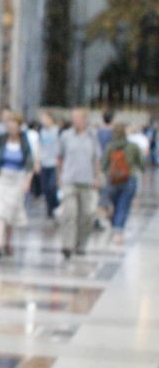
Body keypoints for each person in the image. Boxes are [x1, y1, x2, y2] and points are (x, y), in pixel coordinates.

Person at [0, 111, 33, 259]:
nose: (11, 126)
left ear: (19, 126)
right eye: (9, 123)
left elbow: (29, 164)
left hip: (17, 179)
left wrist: (28, 181)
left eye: (14, 124)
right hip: (1, 177)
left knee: (10, 213)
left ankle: (7, 242)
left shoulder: (24, 141)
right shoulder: (0, 139)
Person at [57, 107, 101, 259]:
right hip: (69, 180)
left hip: (87, 181)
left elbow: (96, 158)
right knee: (69, 214)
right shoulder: (65, 136)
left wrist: (97, 177)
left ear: (85, 120)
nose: (75, 121)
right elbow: (60, 157)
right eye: (73, 118)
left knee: (87, 215)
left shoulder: (92, 137)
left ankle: (81, 243)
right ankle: (67, 245)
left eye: (78, 118)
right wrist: (59, 176)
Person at [101, 122, 145, 246]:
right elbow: (141, 163)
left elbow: (104, 164)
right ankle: (118, 230)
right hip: (129, 178)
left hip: (113, 180)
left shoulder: (110, 146)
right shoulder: (133, 146)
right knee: (123, 205)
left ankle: (116, 225)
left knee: (115, 204)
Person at [35, 110, 61, 219]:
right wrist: (37, 162)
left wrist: (60, 162)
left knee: (52, 186)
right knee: (45, 187)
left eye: (44, 118)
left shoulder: (58, 131)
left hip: (54, 163)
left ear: (51, 119)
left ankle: (55, 205)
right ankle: (50, 208)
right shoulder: (42, 132)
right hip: (44, 162)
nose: (43, 121)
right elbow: (39, 147)